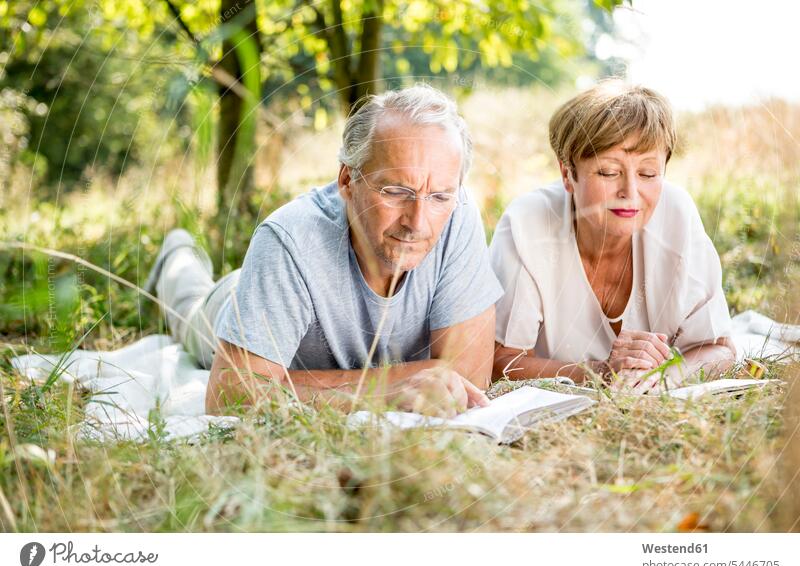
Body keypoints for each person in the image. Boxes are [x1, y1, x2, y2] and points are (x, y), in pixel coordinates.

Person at [145, 84, 503, 417]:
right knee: (188, 303)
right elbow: (231, 395)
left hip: (283, 300)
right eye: (395, 191)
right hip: (244, 302)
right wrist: (383, 391)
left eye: (439, 196)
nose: (417, 221)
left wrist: (305, 386)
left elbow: (468, 377)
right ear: (347, 180)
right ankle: (177, 250)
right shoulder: (289, 239)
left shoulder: (458, 212)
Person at [490, 80, 736, 391]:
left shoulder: (676, 214)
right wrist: (602, 372)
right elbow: (502, 361)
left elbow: (719, 346)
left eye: (648, 173)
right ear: (568, 174)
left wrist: (659, 380)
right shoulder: (527, 223)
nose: (630, 193)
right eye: (608, 172)